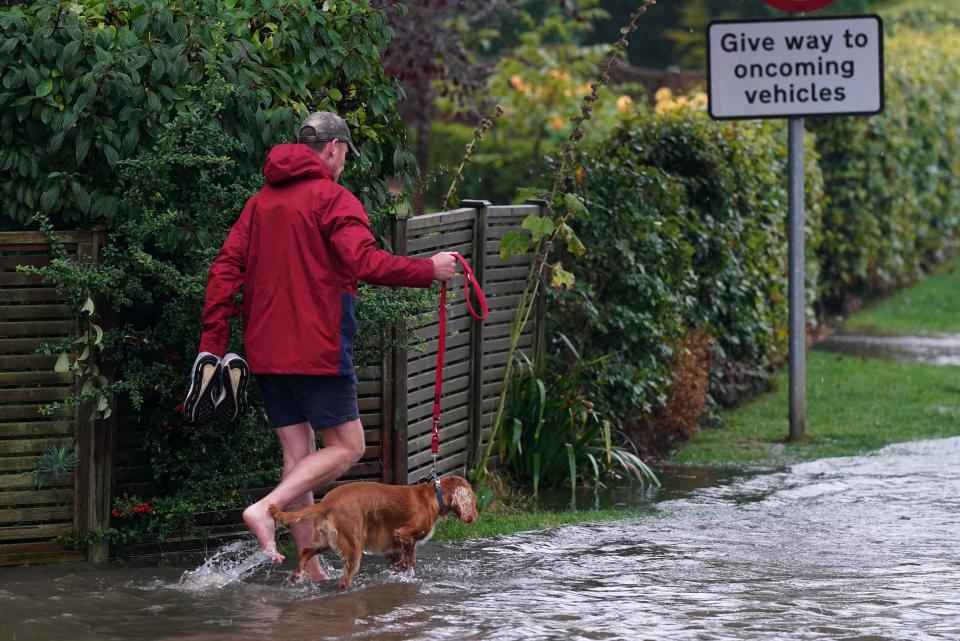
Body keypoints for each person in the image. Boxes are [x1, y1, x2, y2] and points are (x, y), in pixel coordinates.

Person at [193, 111, 456, 579]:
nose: (343, 165)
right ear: (333, 149)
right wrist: (427, 270)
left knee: (299, 456)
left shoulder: (259, 204)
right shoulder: (333, 199)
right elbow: (365, 261)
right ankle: (265, 508)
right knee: (348, 445)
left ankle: (309, 573)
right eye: (344, 157)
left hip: (267, 352)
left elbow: (223, 272)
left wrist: (212, 347)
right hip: (317, 348)